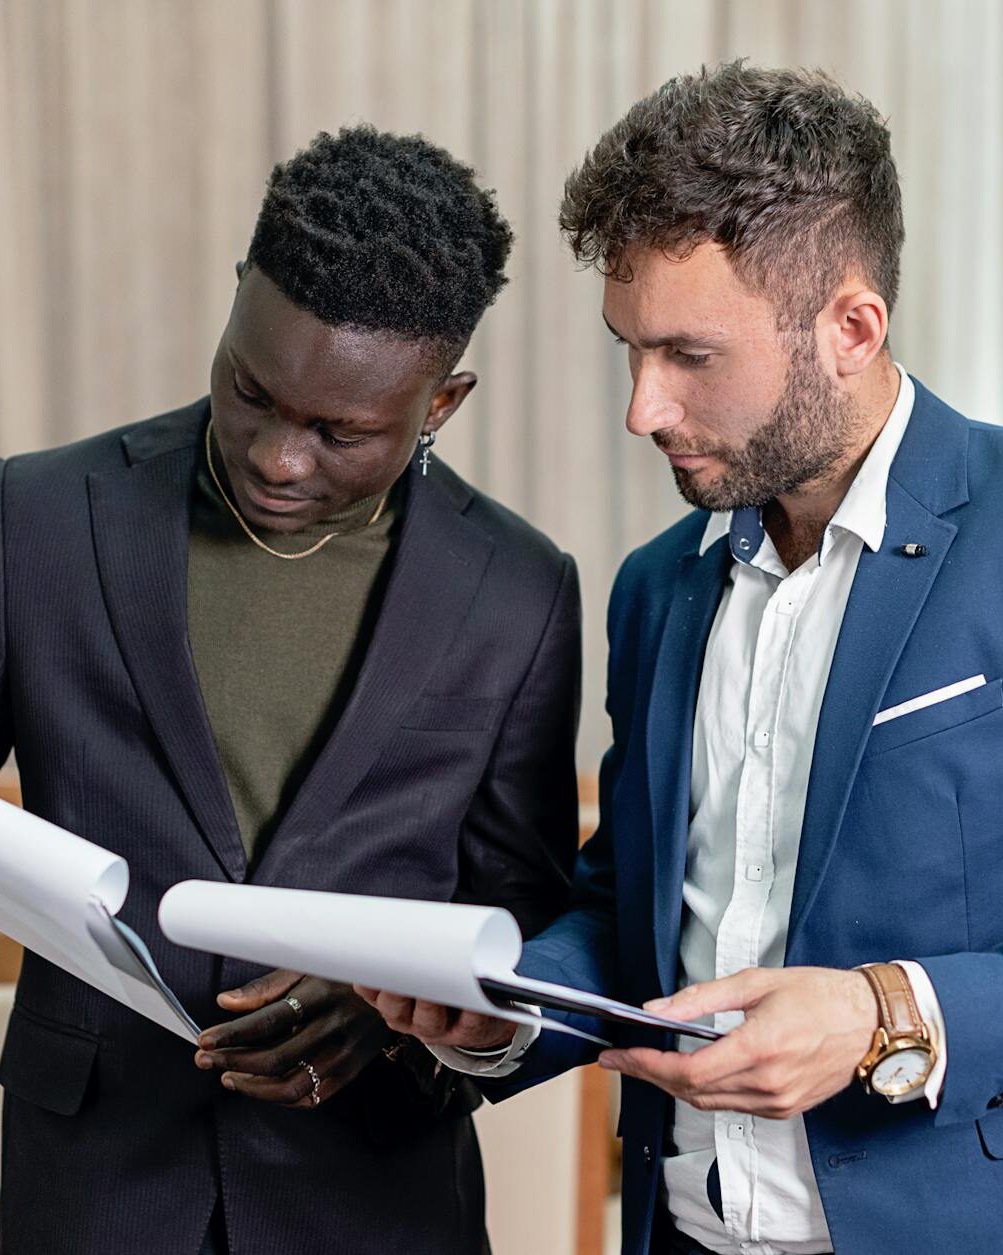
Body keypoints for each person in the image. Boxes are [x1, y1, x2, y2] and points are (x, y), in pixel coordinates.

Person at [0, 126, 582, 1255]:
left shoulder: (519, 591)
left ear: (441, 405)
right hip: (97, 1191)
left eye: (339, 431)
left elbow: (530, 918)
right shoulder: (42, 518)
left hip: (374, 1196)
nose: (276, 456)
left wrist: (390, 1014)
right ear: (232, 309)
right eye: (250, 391)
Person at [360, 64, 1003, 1254]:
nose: (642, 408)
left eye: (689, 356)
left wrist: (883, 1014)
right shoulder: (658, 587)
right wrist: (496, 1006)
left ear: (851, 328)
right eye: (629, 350)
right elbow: (636, 904)